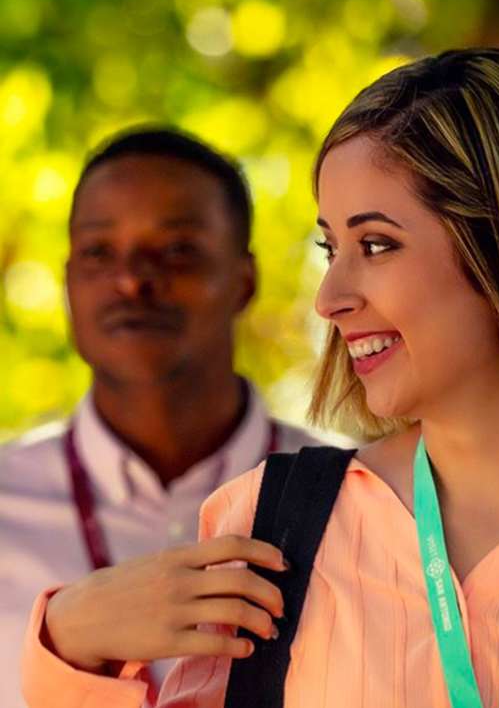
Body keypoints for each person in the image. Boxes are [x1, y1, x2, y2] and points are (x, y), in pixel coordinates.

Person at [21, 50, 499, 707]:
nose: (329, 298)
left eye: (376, 244)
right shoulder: (267, 526)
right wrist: (68, 643)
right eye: (331, 249)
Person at [0, 128, 318, 708]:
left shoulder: (351, 497)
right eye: (99, 252)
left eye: (177, 250)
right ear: (69, 281)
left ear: (245, 280)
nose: (132, 279)